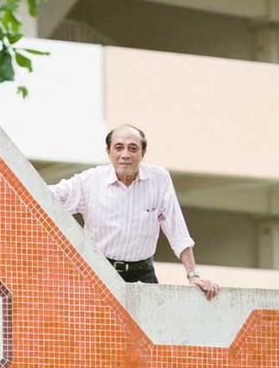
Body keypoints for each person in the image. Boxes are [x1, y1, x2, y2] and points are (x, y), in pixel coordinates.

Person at [50, 124, 220, 300]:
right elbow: (49, 197)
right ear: (108, 152)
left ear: (142, 153)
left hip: (142, 274)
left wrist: (193, 274)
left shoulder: (159, 179)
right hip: (97, 271)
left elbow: (176, 229)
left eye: (133, 148)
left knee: (151, 326)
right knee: (91, 325)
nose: (125, 154)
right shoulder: (90, 180)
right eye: (119, 147)